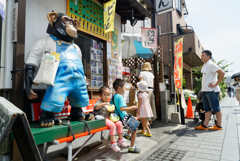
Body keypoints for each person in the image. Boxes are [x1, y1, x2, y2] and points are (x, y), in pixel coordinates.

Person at [195, 50, 225, 130]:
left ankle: (218, 126)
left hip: (212, 91)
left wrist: (216, 84)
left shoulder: (211, 64)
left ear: (208, 56)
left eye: (203, 55)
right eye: (201, 56)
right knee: (207, 108)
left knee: (216, 108)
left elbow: (222, 73)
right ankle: (205, 125)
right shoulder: (205, 65)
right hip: (205, 90)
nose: (201, 57)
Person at [94, 86, 127, 152]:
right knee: (112, 125)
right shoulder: (99, 102)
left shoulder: (109, 103)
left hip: (109, 118)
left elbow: (111, 111)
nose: (107, 96)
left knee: (119, 123)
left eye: (108, 95)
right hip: (102, 119)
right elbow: (96, 107)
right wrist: (104, 104)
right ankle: (113, 143)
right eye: (105, 95)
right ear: (100, 95)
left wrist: (111, 110)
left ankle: (120, 139)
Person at [111, 79, 140, 153]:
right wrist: (132, 107)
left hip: (117, 117)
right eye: (124, 87)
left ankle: (127, 134)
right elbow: (122, 108)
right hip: (123, 118)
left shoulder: (113, 97)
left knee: (133, 122)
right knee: (135, 127)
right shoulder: (120, 97)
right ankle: (132, 147)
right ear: (119, 88)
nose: (125, 89)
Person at [139, 62, 157, 128]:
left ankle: (147, 123)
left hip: (145, 90)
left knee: (145, 107)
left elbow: (141, 83)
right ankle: (151, 123)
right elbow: (153, 83)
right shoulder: (151, 74)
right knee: (151, 106)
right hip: (151, 90)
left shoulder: (142, 73)